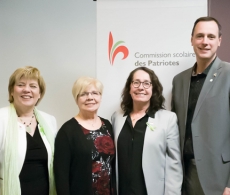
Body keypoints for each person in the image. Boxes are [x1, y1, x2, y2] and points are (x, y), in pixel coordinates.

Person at [171, 16, 230, 195]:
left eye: (211, 37)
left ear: (219, 41)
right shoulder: (179, 80)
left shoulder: (228, 74)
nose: (205, 42)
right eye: (200, 36)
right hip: (183, 173)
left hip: (218, 177)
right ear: (192, 40)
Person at [0, 66, 57, 195]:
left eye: (33, 86)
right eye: (21, 85)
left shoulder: (50, 121)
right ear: (11, 91)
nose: (27, 90)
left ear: (39, 94)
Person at [112, 67, 182, 195]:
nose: (141, 87)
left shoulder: (168, 119)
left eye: (146, 83)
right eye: (136, 82)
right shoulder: (117, 117)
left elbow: (174, 163)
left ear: (153, 89)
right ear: (129, 88)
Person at [54, 77, 116, 195]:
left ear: (100, 97)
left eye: (94, 93)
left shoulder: (107, 125)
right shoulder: (67, 131)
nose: (90, 97)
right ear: (76, 99)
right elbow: (61, 176)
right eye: (83, 94)